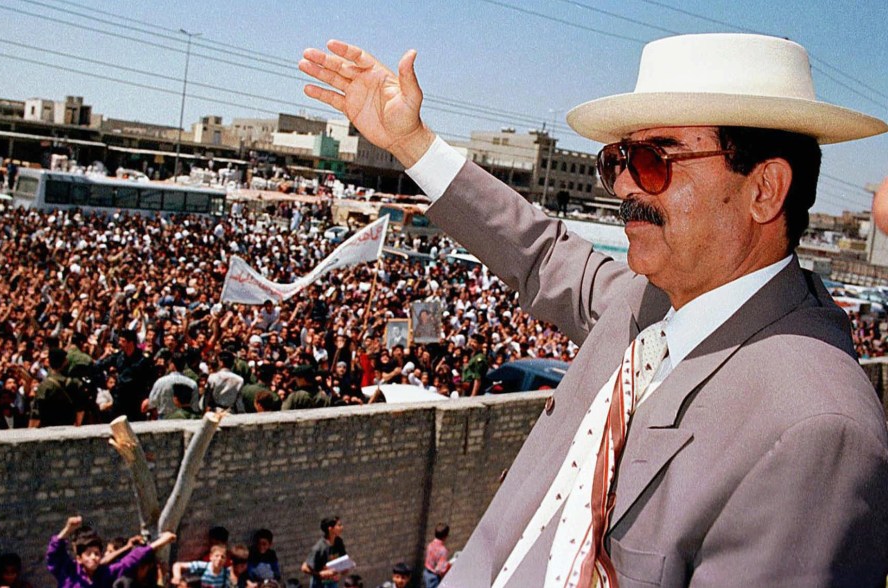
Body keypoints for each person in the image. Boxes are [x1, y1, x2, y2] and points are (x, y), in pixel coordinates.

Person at [300, 33, 888, 586]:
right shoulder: (648, 301)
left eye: (655, 161)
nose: (627, 186)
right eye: (620, 161)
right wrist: (412, 143)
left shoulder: (817, 432)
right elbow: (539, 254)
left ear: (764, 189)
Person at [46, 514, 175, 588]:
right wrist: (68, 529)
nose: (93, 557)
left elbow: (130, 561)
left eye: (96, 554)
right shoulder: (70, 574)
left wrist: (162, 541)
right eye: (88, 554)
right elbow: (54, 554)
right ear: (79, 558)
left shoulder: (105, 574)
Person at [302, 516, 347, 588]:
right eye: (339, 525)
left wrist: (339, 573)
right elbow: (304, 567)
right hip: (319, 585)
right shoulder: (319, 548)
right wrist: (320, 574)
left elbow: (344, 563)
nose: (342, 527)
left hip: (332, 584)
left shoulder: (339, 542)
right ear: (330, 529)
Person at [422, 524, 450, 588]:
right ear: (445, 536)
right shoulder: (443, 550)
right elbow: (440, 569)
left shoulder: (430, 545)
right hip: (434, 577)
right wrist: (448, 566)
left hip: (426, 573)